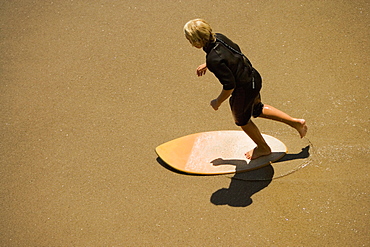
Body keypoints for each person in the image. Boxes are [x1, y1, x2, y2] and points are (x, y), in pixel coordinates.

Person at [184, 19, 308, 160]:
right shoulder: (219, 37)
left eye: (189, 39)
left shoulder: (214, 59)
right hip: (253, 77)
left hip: (244, 89)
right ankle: (296, 122)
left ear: (197, 41)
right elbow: (234, 53)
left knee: (242, 120)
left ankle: (263, 148)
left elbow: (229, 86)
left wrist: (217, 102)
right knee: (256, 108)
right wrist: (209, 63)